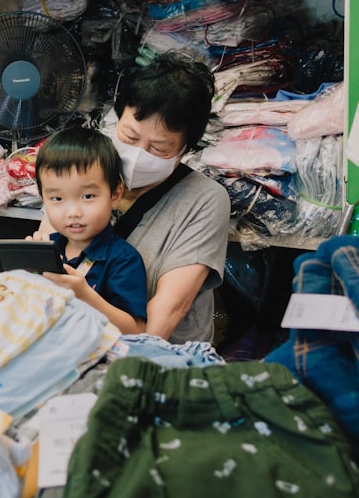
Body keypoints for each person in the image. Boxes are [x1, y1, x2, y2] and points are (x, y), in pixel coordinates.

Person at [37, 52, 230, 343]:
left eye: (160, 148)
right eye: (129, 136)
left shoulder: (204, 200)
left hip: (155, 357)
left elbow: (160, 324)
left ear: (185, 149)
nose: (139, 154)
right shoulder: (87, 166)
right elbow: (51, 247)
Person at [35, 126, 148, 335]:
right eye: (57, 198)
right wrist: (28, 268)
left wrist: (84, 294)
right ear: (42, 197)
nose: (73, 212)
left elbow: (137, 330)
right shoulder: (49, 247)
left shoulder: (122, 259)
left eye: (87, 196)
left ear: (115, 195)